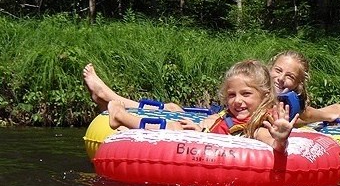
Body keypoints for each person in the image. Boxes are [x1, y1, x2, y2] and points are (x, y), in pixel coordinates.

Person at [83, 50, 340, 124]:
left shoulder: (288, 102)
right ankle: (110, 97)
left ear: (298, 84)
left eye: (290, 77)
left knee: (174, 111)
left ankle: (111, 100)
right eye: (278, 70)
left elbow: (306, 115)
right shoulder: (254, 84)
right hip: (219, 119)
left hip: (226, 124)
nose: (281, 78)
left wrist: (332, 114)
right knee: (173, 108)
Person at [107, 59, 298, 153]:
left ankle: (122, 117)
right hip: (206, 145)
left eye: (246, 94)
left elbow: (271, 143)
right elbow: (218, 127)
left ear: (265, 95)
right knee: (181, 125)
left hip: (218, 159)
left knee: (174, 129)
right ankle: (130, 127)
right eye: (231, 95)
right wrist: (200, 130)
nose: (237, 101)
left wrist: (280, 139)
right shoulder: (232, 115)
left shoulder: (260, 123)